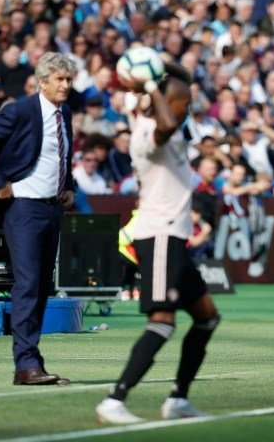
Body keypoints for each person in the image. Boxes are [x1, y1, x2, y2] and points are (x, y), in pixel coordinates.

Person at [95, 62, 220, 424]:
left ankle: (178, 399)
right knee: (162, 322)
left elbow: (180, 85)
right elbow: (165, 121)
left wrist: (160, 65)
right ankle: (114, 401)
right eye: (182, 103)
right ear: (162, 102)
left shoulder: (169, 126)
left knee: (207, 317)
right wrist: (151, 84)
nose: (187, 109)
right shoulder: (147, 131)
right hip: (159, 234)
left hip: (175, 237)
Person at [0, 52, 77, 386]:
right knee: (27, 284)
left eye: (69, 79)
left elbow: (63, 156)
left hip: (52, 208)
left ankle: (32, 361)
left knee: (42, 285)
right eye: (60, 79)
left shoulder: (64, 112)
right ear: (42, 81)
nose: (66, 85)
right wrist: (0, 183)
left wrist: (68, 187)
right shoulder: (22, 110)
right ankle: (25, 364)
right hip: (23, 208)